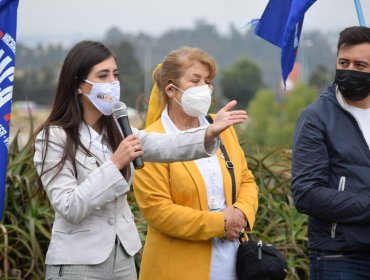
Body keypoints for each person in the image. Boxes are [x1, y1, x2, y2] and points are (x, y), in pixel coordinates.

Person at [33, 41, 248, 280]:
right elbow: (69, 206)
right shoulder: (53, 136)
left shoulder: (117, 127)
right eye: (102, 76)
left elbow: (166, 145)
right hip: (78, 262)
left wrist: (208, 133)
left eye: (115, 75)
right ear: (78, 85)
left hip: (123, 259)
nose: (112, 83)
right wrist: (115, 164)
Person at [133, 47, 259, 280]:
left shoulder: (221, 127)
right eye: (196, 80)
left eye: (208, 81)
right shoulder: (151, 141)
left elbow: (246, 179)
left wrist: (242, 213)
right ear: (171, 89)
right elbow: (158, 211)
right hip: (176, 269)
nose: (205, 88)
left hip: (232, 263)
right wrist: (219, 223)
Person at [292, 26, 370, 279]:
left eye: (360, 66)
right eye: (344, 62)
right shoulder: (317, 117)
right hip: (340, 257)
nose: (349, 71)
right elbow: (307, 193)